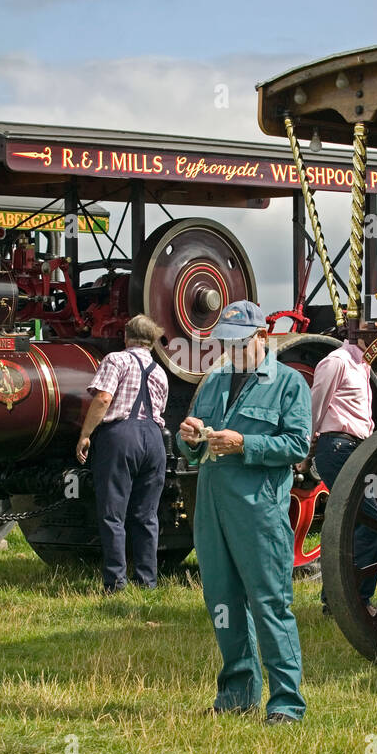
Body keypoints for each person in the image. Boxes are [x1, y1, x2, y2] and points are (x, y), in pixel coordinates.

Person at [176, 300, 311, 724]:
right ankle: (237, 695)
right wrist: (189, 437)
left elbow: (298, 447)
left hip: (259, 511)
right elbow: (189, 449)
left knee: (270, 603)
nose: (230, 352)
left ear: (262, 338)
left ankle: (286, 703)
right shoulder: (215, 382)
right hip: (213, 508)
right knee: (223, 601)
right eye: (225, 344)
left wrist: (245, 445)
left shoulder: (289, 383)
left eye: (238, 343)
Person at [77, 314, 169, 593]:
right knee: (146, 515)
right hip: (154, 439)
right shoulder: (159, 371)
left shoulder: (116, 360)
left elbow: (103, 398)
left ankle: (115, 582)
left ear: (126, 336)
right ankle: (147, 581)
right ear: (152, 341)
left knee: (113, 513)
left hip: (121, 436)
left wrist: (85, 435)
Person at [305, 332, 377, 615]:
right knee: (370, 522)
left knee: (348, 524)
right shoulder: (336, 361)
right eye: (371, 322)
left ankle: (335, 602)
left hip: (354, 448)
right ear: (355, 325)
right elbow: (316, 405)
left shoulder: (363, 365)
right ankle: (359, 601)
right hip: (337, 448)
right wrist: (305, 449)